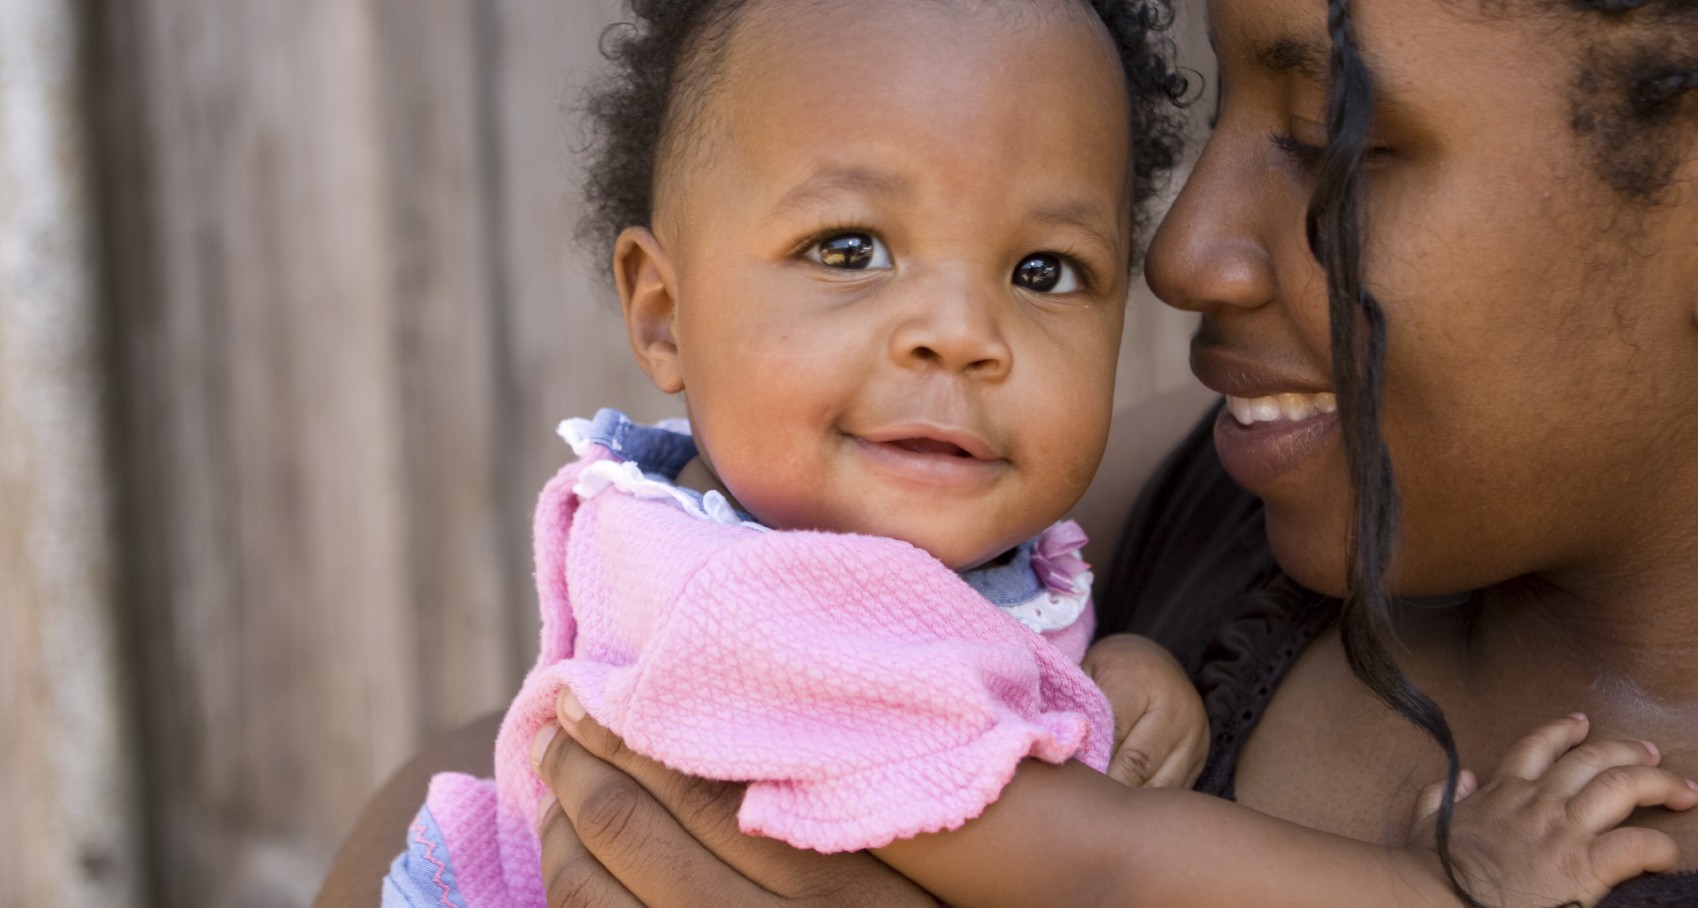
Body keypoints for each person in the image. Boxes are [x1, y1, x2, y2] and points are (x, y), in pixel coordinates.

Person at [315, 0, 1698, 906]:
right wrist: (1449, 883)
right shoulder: (1190, 506)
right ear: (659, 310)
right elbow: (1100, 864)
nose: (1176, 254)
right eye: (848, 251)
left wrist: (1092, 684)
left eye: (1323, 137)